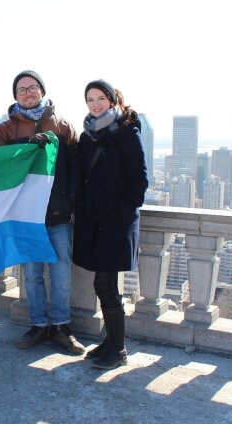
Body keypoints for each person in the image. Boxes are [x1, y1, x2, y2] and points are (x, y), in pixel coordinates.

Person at [0, 70, 85, 355]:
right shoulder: (5, 131)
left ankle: (60, 326)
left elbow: (75, 168)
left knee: (61, 274)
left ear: (42, 91)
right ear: (15, 96)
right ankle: (38, 324)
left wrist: (69, 203)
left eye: (33, 87)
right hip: (26, 217)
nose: (28, 93)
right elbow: (1, 171)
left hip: (57, 215)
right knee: (31, 274)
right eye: (22, 89)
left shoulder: (63, 125)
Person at [72, 79, 148, 369]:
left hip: (116, 223)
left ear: (113, 99)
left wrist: (122, 210)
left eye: (100, 98)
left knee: (105, 284)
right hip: (94, 219)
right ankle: (110, 342)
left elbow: (139, 181)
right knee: (105, 286)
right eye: (90, 99)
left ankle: (119, 349)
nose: (95, 104)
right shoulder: (87, 135)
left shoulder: (128, 134)